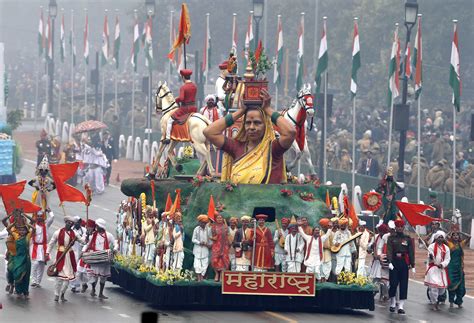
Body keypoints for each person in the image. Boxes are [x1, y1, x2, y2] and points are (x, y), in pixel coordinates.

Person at [203, 88, 296, 184]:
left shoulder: (273, 149)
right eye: (248, 123)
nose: (251, 127)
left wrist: (268, 109)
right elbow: (209, 132)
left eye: (257, 123)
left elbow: (290, 132)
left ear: (266, 126)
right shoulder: (236, 147)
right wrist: (240, 112)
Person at [47, 216, 86, 302]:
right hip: (60, 256)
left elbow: (83, 241)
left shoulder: (74, 234)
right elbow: (51, 243)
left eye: (71, 223)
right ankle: (56, 294)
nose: (69, 224)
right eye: (68, 222)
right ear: (65, 223)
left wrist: (87, 236)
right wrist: (47, 252)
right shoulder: (58, 232)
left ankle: (62, 294)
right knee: (59, 278)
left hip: (69, 257)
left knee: (67, 279)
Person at [83, 218, 117, 299]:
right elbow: (87, 244)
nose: (96, 227)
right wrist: (83, 251)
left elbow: (115, 242)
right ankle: (93, 289)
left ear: (100, 226)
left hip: (104, 259)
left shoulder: (108, 235)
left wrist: (115, 249)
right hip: (95, 258)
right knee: (94, 276)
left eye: (97, 226)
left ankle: (101, 293)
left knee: (103, 277)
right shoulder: (93, 235)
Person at [3, 210, 34, 299]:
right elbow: (5, 223)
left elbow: (32, 223)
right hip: (12, 254)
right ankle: (11, 284)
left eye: (22, 219)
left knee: (23, 274)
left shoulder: (27, 234)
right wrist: (11, 215)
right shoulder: (13, 231)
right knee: (10, 270)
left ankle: (21, 291)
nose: (20, 221)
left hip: (24, 257)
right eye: (18, 219)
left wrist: (24, 215)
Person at [386, 219, 415, 315]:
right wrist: (389, 262)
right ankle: (393, 302)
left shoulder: (407, 238)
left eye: (401, 227)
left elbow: (411, 252)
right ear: (395, 227)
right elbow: (389, 250)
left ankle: (401, 306)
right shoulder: (391, 238)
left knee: (403, 284)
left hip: (404, 262)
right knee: (393, 283)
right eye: (397, 226)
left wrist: (412, 264)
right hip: (394, 261)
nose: (399, 228)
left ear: (403, 227)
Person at [164, 69, 197, 144]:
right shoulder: (194, 86)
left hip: (185, 109)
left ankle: (168, 138)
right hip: (193, 108)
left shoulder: (183, 87)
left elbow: (181, 98)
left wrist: (176, 99)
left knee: (170, 120)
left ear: (183, 77)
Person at [424, 230, 451, 311]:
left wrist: (442, 264)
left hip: (441, 270)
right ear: (436, 238)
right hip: (433, 269)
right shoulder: (431, 246)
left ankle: (436, 300)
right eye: (439, 237)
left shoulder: (446, 248)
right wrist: (431, 257)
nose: (440, 238)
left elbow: (448, 259)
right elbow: (430, 257)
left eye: (442, 237)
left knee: (442, 290)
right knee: (433, 287)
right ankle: (434, 303)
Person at [30, 210, 54, 288]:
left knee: (41, 265)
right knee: (35, 264)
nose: (39, 218)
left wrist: (49, 211)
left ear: (43, 217)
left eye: (41, 216)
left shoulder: (46, 225)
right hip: (35, 247)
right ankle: (33, 281)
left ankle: (38, 282)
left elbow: (52, 217)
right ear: (36, 217)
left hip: (43, 248)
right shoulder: (33, 225)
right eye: (38, 216)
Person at [447, 230, 471, 308]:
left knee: (461, 287)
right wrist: (449, 233)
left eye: (457, 235)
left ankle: (459, 302)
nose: (456, 236)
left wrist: (461, 232)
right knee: (452, 285)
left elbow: (469, 237)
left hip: (459, 268)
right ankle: (451, 301)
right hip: (451, 268)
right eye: (454, 235)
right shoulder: (449, 244)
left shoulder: (461, 244)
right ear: (451, 237)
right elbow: (443, 238)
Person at [369, 223, 390, 301]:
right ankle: (371, 294)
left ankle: (383, 295)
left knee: (383, 280)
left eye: (382, 232)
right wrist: (371, 246)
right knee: (375, 280)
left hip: (384, 262)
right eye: (379, 231)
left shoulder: (387, 238)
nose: (381, 233)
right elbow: (369, 249)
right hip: (376, 262)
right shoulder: (375, 237)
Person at [210, 214, 230, 281]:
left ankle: (221, 274)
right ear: (216, 219)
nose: (219, 219)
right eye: (218, 218)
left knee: (223, 260)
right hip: (216, 246)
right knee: (215, 260)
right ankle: (216, 274)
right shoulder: (213, 227)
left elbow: (228, 236)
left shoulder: (225, 227)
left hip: (224, 246)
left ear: (223, 219)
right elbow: (212, 236)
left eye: (220, 218)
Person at [192, 215, 211, 281]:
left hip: (205, 250)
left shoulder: (209, 230)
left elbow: (211, 240)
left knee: (205, 265)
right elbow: (193, 239)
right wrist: (199, 242)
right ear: (199, 222)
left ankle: (202, 277)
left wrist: (208, 244)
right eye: (201, 222)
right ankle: (198, 277)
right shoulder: (196, 229)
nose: (203, 224)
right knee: (197, 265)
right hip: (197, 249)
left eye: (204, 222)